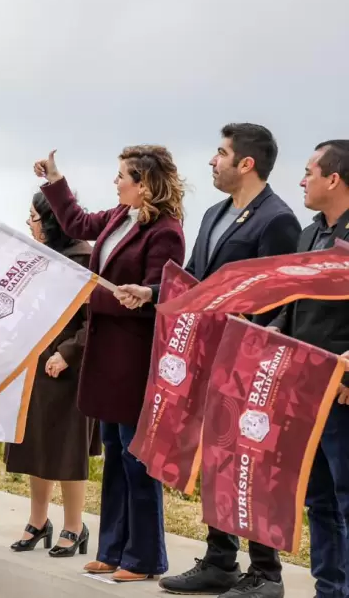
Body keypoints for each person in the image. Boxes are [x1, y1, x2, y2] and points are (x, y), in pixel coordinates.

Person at [117, 124, 300, 598]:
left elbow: (280, 298)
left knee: (249, 467)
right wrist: (152, 293)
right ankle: (220, 560)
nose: (212, 161)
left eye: (221, 153)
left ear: (247, 163)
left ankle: (266, 572)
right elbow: (196, 282)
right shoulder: (215, 214)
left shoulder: (277, 220)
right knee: (217, 460)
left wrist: (256, 338)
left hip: (250, 364)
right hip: (212, 359)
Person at [35, 145, 185, 582]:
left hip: (134, 360)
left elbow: (161, 293)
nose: (115, 182)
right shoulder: (121, 216)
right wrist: (55, 180)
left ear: (144, 184)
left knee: (137, 461)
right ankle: (113, 549)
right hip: (107, 358)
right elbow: (77, 223)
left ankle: (145, 557)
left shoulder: (166, 232)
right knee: (116, 456)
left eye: (122, 176)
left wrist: (96, 295)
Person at [267, 140, 349, 598]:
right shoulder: (308, 234)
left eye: (309, 172)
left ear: (333, 179)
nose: (301, 181)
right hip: (305, 385)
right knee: (319, 499)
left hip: (342, 389)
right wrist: (276, 328)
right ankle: (330, 589)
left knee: (347, 497)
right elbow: (292, 300)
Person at [3, 191, 101, 557]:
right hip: (35, 365)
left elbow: (94, 320)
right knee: (36, 447)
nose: (29, 223)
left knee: (67, 452)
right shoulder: (38, 257)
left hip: (68, 370)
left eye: (33, 217)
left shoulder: (84, 258)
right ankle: (38, 521)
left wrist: (67, 353)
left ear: (51, 220)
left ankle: (74, 526)